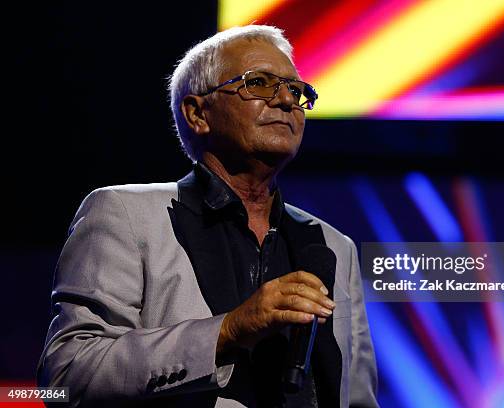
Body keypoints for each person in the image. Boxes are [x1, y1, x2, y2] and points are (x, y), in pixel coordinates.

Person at [37, 25, 378, 408]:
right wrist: (229, 329)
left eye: (296, 90)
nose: (285, 99)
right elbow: (64, 378)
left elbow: (358, 397)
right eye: (260, 83)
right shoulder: (124, 214)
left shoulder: (334, 246)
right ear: (198, 113)